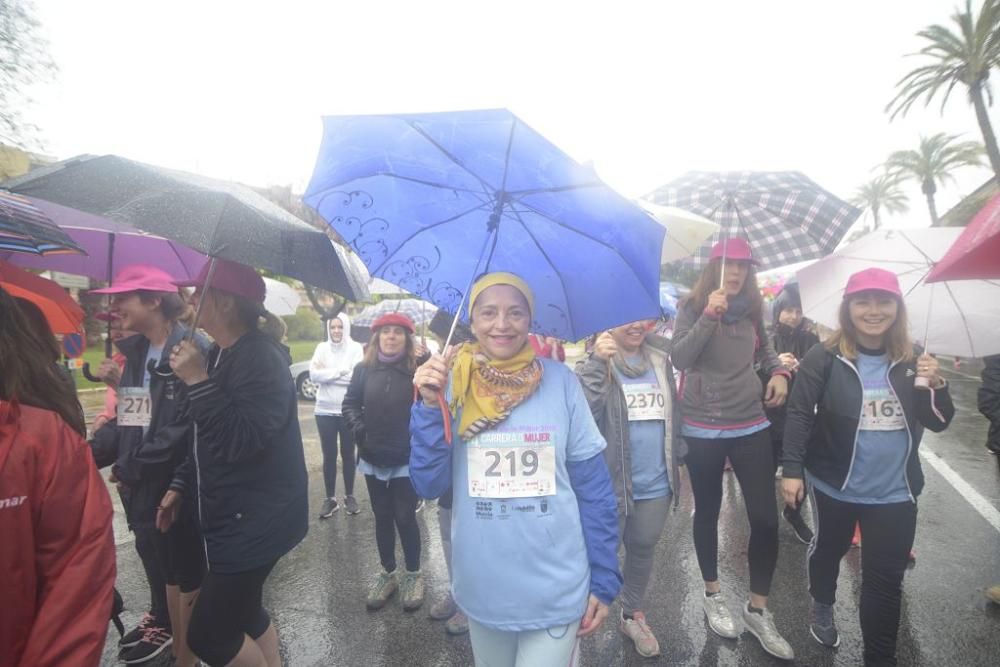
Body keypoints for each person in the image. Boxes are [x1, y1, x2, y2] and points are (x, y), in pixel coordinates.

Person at [410, 272, 621, 667]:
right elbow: (428, 483)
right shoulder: (450, 385)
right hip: (483, 586)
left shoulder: (561, 383)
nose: (502, 324)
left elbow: (593, 488)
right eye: (488, 312)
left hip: (556, 586)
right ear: (471, 319)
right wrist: (426, 406)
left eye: (515, 312)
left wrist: (605, 576)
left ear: (530, 319)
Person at [781, 268, 954, 665]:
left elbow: (938, 422)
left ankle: (880, 659)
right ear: (848, 308)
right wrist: (792, 469)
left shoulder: (913, 357)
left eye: (884, 301)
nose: (873, 311)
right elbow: (800, 413)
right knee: (829, 551)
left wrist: (937, 386)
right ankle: (822, 604)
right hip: (834, 486)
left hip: (896, 492)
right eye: (863, 301)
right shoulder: (824, 356)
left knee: (884, 583)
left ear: (897, 307)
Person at [162, 259, 308, 667]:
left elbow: (239, 441)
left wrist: (196, 380)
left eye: (198, 292)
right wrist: (180, 486)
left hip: (255, 522)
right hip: (235, 517)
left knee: (209, 636)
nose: (189, 300)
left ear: (224, 303)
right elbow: (203, 438)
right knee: (243, 612)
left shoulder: (260, 359)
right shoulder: (223, 354)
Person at [670, 238, 794, 660]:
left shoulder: (757, 310)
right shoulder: (691, 306)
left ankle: (758, 609)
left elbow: (766, 350)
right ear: (714, 267)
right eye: (728, 264)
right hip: (702, 425)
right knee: (706, 511)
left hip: (750, 423)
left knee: (765, 519)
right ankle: (712, 593)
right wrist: (708, 315)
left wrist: (778, 371)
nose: (737, 272)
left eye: (743, 265)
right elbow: (680, 358)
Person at [88, 265, 208, 666]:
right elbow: (135, 417)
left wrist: (134, 466)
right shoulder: (139, 354)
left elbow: (188, 430)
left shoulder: (193, 349)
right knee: (164, 567)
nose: (114, 304)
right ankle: (177, 647)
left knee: (187, 573)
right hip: (143, 482)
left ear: (154, 301)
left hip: (177, 487)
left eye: (123, 297)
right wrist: (88, 454)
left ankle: (193, 649)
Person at [0, 286, 116, 667]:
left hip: (118, 474)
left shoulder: (41, 430)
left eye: (122, 305)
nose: (116, 314)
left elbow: (154, 419)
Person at [576, 320, 681, 658]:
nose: (636, 325)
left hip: (656, 481)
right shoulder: (592, 363)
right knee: (595, 555)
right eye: (627, 318)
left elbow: (674, 411)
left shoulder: (661, 358)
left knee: (643, 548)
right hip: (609, 483)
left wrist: (678, 454)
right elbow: (583, 417)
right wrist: (596, 365)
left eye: (643, 317)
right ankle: (580, 620)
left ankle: (631, 614)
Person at [342, 312, 428, 612]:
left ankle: (414, 574)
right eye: (386, 331)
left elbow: (432, 402)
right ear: (376, 337)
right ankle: (388, 573)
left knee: (404, 516)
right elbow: (350, 404)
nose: (391, 336)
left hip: (407, 457)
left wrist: (428, 360)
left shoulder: (418, 369)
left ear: (407, 339)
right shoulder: (363, 370)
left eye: (398, 332)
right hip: (372, 454)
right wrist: (360, 431)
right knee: (382, 516)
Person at [765, 284, 819, 544]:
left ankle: (794, 514)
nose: (794, 316)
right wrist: (776, 365)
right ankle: (765, 521)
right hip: (767, 416)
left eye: (798, 311)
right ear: (778, 311)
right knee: (764, 473)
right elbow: (752, 368)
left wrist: (802, 366)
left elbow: (822, 372)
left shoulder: (811, 339)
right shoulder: (765, 338)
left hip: (799, 415)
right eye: (788, 310)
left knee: (803, 469)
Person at [310, 312, 365, 518]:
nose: (336, 331)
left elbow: (356, 378)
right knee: (329, 455)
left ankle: (349, 495)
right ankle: (330, 499)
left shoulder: (356, 348)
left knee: (348, 454)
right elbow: (314, 375)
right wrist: (342, 371)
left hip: (347, 410)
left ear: (346, 328)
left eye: (340, 327)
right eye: (332, 327)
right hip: (324, 410)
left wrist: (329, 373)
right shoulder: (321, 348)